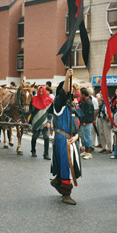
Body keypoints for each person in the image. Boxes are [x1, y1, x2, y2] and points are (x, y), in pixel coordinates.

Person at [50, 69, 81, 205]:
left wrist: (77, 135)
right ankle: (66, 193)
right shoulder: (58, 103)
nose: (71, 92)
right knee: (66, 165)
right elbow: (63, 94)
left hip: (71, 139)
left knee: (70, 164)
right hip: (63, 139)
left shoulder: (72, 106)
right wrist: (68, 77)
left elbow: (76, 124)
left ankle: (58, 181)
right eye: (70, 89)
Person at [30, 86, 53, 160]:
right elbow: (30, 111)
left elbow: (50, 113)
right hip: (36, 121)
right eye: (39, 91)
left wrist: (49, 122)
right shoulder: (33, 99)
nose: (40, 93)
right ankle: (33, 151)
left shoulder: (49, 101)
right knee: (34, 138)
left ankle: (46, 154)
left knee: (46, 138)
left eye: (42, 91)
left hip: (45, 122)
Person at [78, 87, 95, 160]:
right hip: (84, 122)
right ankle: (86, 150)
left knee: (88, 137)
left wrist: (84, 121)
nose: (80, 96)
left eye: (81, 94)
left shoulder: (88, 102)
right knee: (84, 137)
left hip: (86, 122)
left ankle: (89, 152)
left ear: (83, 94)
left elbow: (88, 113)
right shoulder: (84, 101)